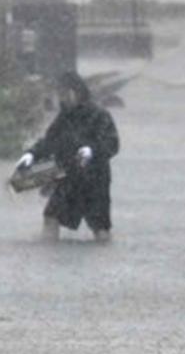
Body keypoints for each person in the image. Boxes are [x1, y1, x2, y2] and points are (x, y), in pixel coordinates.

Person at [15, 72, 120, 242]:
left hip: (95, 181)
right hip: (68, 178)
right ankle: (49, 251)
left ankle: (103, 253)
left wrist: (91, 150)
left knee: (100, 227)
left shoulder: (99, 115)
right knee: (51, 217)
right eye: (59, 93)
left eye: (63, 93)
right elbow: (50, 141)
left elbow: (112, 143)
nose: (60, 98)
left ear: (74, 92)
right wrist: (31, 154)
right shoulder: (64, 117)